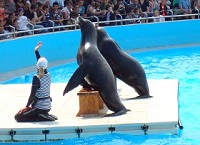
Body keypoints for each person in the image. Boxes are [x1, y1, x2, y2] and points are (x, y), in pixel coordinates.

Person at [14, 42, 57, 122]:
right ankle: (44, 115)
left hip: (40, 107)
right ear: (46, 66)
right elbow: (41, 65)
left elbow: (32, 96)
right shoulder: (48, 75)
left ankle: (39, 117)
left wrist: (26, 107)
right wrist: (36, 51)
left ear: (36, 66)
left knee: (18, 117)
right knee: (24, 114)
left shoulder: (36, 77)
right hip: (48, 106)